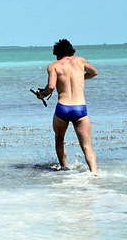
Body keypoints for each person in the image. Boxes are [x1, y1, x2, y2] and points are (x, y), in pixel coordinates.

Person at [35, 39, 98, 173]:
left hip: (63, 108)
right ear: (71, 51)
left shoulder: (54, 66)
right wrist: (80, 77)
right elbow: (94, 72)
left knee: (59, 138)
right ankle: (94, 174)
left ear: (57, 54)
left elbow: (51, 87)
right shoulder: (80, 60)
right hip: (80, 108)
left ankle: (64, 168)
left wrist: (42, 94)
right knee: (87, 147)